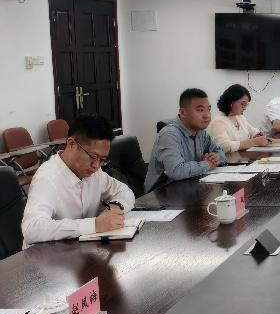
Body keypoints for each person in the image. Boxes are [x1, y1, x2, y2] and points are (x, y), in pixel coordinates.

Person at [21, 114, 135, 248]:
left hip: (82, 250)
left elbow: (124, 191)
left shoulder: (95, 172)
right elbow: (31, 229)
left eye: (102, 160)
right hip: (45, 255)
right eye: (93, 156)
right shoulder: (47, 178)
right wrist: (94, 225)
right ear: (72, 144)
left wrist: (115, 207)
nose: (96, 165)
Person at [144, 88, 226, 193]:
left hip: (189, 187)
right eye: (200, 110)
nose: (207, 115)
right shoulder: (169, 135)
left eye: (208, 109)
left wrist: (215, 158)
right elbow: (176, 171)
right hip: (161, 195)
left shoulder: (201, 133)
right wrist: (207, 164)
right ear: (183, 112)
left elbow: (221, 153)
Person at [209, 84, 270, 153]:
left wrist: (257, 134)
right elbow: (224, 146)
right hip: (230, 159)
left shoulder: (239, 117)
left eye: (246, 105)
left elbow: (253, 131)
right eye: (242, 104)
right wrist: (254, 142)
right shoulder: (218, 122)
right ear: (231, 102)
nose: (245, 108)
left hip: (244, 157)